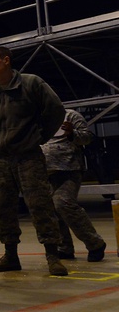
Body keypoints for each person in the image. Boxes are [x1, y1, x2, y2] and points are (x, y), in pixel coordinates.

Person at [0, 46, 68, 276]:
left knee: (40, 205)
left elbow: (56, 110)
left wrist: (40, 137)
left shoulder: (31, 83)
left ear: (6, 60)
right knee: (3, 207)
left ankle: (53, 254)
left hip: (28, 155)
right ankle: (11, 255)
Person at [41, 109, 107, 261]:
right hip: (44, 172)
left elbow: (87, 137)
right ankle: (64, 247)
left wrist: (72, 134)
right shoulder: (38, 118)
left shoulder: (70, 115)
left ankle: (94, 243)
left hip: (68, 170)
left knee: (63, 203)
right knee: (51, 210)